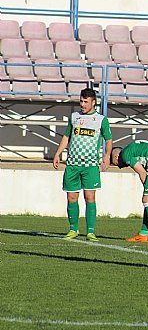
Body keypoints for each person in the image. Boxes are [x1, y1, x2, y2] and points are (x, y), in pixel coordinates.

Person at [53, 88, 112, 241]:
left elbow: (108, 139)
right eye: (81, 101)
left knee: (89, 197)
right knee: (72, 197)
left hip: (90, 165)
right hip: (72, 164)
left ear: (94, 102)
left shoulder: (101, 120)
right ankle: (73, 229)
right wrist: (58, 153)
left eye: (86, 101)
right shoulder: (74, 117)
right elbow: (67, 136)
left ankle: (90, 232)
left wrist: (106, 156)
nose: (82, 104)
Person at [111, 140, 148, 243]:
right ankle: (143, 233)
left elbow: (142, 172)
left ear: (116, 157)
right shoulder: (132, 149)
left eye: (115, 163)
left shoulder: (125, 154)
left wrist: (147, 189)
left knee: (147, 199)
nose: (119, 167)